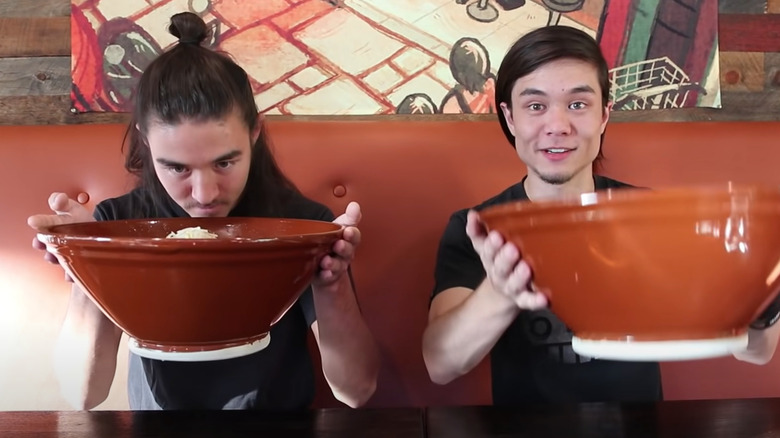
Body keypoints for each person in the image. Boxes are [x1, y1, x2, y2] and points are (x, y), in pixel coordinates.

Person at [27, 12, 379, 411]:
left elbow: (356, 390)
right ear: (146, 142)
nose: (204, 193)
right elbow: (82, 394)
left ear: (254, 133)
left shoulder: (302, 226)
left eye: (225, 163)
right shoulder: (117, 225)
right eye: (177, 168)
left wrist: (331, 283)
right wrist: (86, 260)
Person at [421, 25, 780, 405]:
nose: (557, 126)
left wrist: (764, 280)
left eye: (578, 104)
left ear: (605, 114)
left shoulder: (652, 218)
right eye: (535, 106)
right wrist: (501, 291)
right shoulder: (477, 228)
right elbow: (440, 365)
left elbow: (757, 350)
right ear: (510, 118)